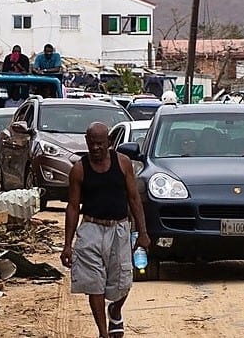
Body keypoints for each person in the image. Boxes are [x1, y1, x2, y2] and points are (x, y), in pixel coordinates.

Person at [61, 122, 150, 338]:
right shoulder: (79, 170)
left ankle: (116, 309)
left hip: (119, 229)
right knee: (94, 285)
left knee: (123, 281)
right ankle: (103, 332)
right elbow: (73, 207)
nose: (96, 148)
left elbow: (134, 198)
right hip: (91, 229)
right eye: (92, 144)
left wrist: (142, 231)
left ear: (109, 142)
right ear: (87, 142)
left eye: (100, 144)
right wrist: (67, 245)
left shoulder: (123, 163)